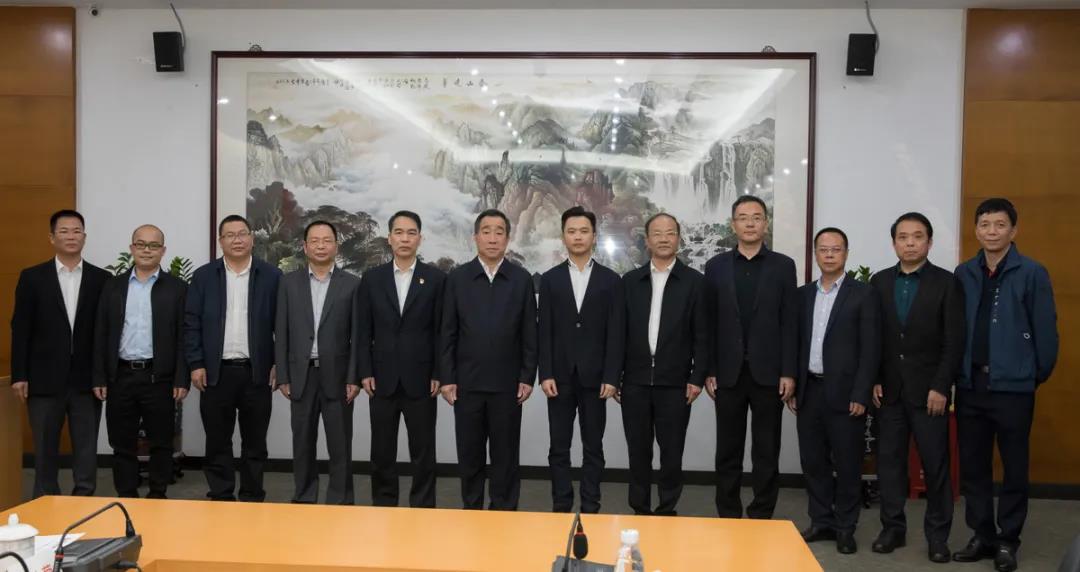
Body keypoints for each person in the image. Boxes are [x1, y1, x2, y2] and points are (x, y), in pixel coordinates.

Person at [951, 198, 1058, 572]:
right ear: (976, 230)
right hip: (971, 386)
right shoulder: (964, 273)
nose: (991, 232)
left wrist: (1030, 374)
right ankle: (982, 535)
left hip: (1014, 389)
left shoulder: (1032, 272)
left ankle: (1008, 540)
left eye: (999, 225)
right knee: (974, 467)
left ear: (1014, 230)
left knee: (1014, 468)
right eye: (985, 225)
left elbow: (1046, 333)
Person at [869, 212, 965, 563]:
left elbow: (954, 341)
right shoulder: (879, 282)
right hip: (890, 392)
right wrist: (874, 379)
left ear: (929, 242)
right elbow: (874, 338)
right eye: (903, 237)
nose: (910, 243)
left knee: (935, 466)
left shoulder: (947, 283)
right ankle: (892, 528)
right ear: (894, 242)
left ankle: (938, 536)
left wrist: (942, 386)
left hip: (930, 394)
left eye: (917, 236)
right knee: (889, 465)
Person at [703, 195, 798, 519]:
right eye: (743, 217)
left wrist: (789, 371)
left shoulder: (783, 266)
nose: (750, 223)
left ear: (765, 224)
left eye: (756, 217)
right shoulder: (715, 267)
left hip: (769, 374)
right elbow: (708, 323)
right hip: (727, 374)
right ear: (733, 224)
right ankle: (728, 513)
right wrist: (709, 369)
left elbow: (789, 322)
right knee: (727, 450)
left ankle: (761, 514)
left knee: (766, 450)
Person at [440, 208, 537, 510]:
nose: (493, 238)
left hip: (508, 385)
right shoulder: (458, 278)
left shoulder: (520, 279)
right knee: (470, 454)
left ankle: (504, 511)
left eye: (499, 232)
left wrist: (527, 376)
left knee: (505, 456)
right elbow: (447, 332)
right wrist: (447, 378)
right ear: (476, 237)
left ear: (507, 238)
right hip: (466, 383)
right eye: (486, 231)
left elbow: (529, 333)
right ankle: (472, 510)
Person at [10, 209, 110, 498]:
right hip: (43, 381)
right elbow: (21, 329)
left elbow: (105, 333)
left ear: (84, 237)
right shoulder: (32, 278)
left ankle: (83, 502)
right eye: (64, 231)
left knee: (86, 451)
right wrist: (20, 375)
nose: (71, 236)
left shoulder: (102, 279)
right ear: (52, 238)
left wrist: (102, 376)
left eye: (76, 231)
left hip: (86, 382)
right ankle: (45, 502)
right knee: (44, 450)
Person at [794, 227, 881, 554]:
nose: (829, 254)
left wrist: (861, 393)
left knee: (847, 464)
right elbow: (795, 343)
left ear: (846, 253)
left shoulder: (863, 294)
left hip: (847, 395)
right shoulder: (803, 295)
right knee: (813, 462)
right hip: (809, 391)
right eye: (823, 249)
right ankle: (821, 521)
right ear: (815, 254)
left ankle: (845, 527)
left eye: (836, 249)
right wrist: (794, 384)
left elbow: (871, 349)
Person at [184, 214, 281, 502]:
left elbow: (283, 324)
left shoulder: (272, 276)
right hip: (216, 373)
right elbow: (191, 323)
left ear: (252, 238)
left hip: (257, 372)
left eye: (242, 234)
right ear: (220, 241)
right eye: (230, 235)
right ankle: (221, 495)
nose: (237, 240)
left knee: (255, 443)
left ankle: (252, 495)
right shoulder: (203, 276)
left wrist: (279, 363)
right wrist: (196, 363)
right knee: (217, 441)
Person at [538, 206, 625, 513]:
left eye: (584, 231)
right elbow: (544, 331)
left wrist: (612, 376)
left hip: (596, 378)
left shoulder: (611, 280)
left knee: (593, 447)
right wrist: (545, 373)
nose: (578, 237)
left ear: (594, 236)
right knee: (558, 448)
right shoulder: (550, 279)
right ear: (563, 236)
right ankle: (561, 505)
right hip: (559, 378)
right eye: (572, 231)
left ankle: (590, 505)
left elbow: (616, 332)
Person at [92, 224, 189, 498]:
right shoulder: (113, 286)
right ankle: (127, 496)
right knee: (122, 443)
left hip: (159, 377)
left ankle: (157, 496)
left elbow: (184, 336)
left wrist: (181, 378)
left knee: (161, 443)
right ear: (132, 248)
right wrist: (99, 376)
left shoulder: (177, 288)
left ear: (163, 251)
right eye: (141, 244)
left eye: (154, 245)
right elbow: (100, 332)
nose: (147, 250)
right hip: (120, 376)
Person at [357, 210, 445, 508]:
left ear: (420, 238)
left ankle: (423, 506)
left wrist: (439, 372)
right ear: (389, 238)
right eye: (399, 232)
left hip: (422, 379)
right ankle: (384, 505)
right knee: (382, 451)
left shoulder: (435, 279)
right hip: (381, 378)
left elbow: (441, 331)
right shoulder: (372, 279)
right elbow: (363, 330)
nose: (404, 238)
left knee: (423, 451)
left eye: (411, 233)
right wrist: (364, 371)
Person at [620, 212, 706, 516]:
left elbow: (702, 335)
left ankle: (667, 508)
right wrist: (616, 377)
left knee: (672, 452)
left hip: (676, 383)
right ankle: (640, 509)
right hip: (635, 382)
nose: (664, 238)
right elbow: (618, 333)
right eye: (657, 233)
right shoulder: (630, 282)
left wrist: (697, 377)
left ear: (679, 239)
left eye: (670, 233)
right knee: (638, 451)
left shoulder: (694, 282)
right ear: (647, 240)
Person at [275, 220, 361, 505]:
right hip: (302, 375)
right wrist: (283, 375)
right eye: (315, 241)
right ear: (305, 246)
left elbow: (358, 337)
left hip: (338, 376)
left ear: (336, 246)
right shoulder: (288, 283)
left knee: (340, 444)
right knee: (302, 443)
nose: (321, 246)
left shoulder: (352, 284)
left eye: (327, 240)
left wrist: (354, 377)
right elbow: (281, 332)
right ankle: (304, 496)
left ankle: (340, 499)